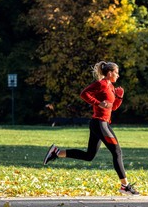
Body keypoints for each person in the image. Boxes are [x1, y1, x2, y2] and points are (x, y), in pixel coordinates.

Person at [43, 61, 139, 196]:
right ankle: (125, 186)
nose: (118, 75)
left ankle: (57, 152)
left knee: (89, 156)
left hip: (101, 123)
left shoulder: (111, 86)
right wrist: (98, 103)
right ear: (110, 73)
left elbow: (113, 107)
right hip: (100, 124)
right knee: (117, 152)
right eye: (116, 72)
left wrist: (119, 97)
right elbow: (84, 94)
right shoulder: (101, 84)